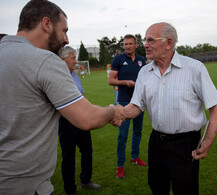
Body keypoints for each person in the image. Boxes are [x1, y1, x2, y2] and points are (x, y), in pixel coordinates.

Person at [0, 1, 124, 194]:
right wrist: (113, 111)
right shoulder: (44, 59)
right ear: (46, 24)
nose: (66, 39)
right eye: (64, 30)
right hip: (25, 185)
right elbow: (87, 117)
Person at [122, 22, 217, 195]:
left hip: (185, 144)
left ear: (169, 43)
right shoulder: (144, 72)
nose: (145, 44)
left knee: (185, 190)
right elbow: (136, 106)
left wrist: (208, 141)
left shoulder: (194, 69)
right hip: (156, 142)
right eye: (145, 40)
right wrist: (118, 112)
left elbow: (216, 106)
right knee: (157, 187)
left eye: (151, 40)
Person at [58, 46, 101, 195]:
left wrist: (92, 112)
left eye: (75, 58)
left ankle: (85, 181)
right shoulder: (57, 77)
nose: (76, 61)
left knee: (87, 150)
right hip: (66, 122)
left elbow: (82, 96)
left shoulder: (75, 76)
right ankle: (70, 191)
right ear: (62, 60)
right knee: (68, 156)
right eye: (73, 58)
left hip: (82, 119)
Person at [108, 34, 147, 179]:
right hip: (124, 102)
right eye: (125, 44)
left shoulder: (141, 60)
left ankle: (135, 157)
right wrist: (125, 82)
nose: (128, 46)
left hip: (139, 102)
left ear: (136, 45)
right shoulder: (118, 59)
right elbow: (111, 81)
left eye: (130, 44)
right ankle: (120, 166)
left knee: (138, 131)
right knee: (122, 135)